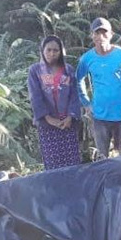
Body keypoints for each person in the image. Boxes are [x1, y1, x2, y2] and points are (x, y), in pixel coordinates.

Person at [77, 17, 121, 160]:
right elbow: (77, 81)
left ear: (111, 34)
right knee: (102, 159)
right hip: (100, 117)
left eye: (104, 32)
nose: (101, 36)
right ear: (92, 35)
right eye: (97, 33)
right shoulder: (87, 59)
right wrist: (86, 104)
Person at [27, 35, 82, 170]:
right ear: (42, 51)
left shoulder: (68, 70)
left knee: (72, 162)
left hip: (67, 124)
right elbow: (35, 96)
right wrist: (49, 119)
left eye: (56, 50)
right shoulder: (35, 71)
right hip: (47, 125)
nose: (52, 54)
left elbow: (74, 94)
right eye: (48, 50)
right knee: (53, 163)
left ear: (61, 52)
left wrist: (70, 116)